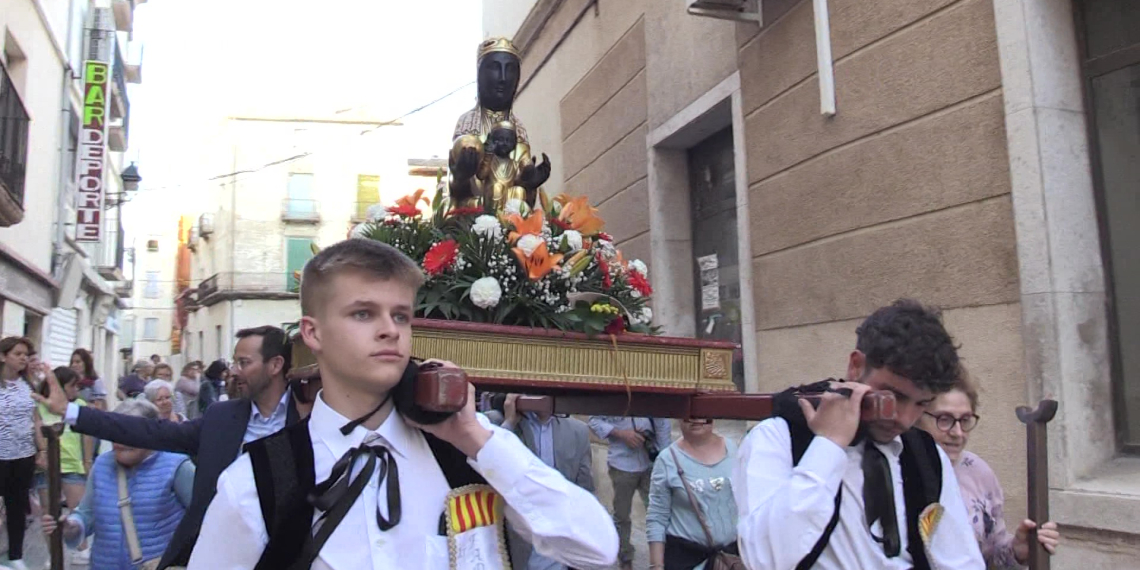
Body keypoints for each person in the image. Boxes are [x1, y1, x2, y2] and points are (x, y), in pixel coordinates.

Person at [189, 239, 617, 569]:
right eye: (363, 314)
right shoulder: (257, 481)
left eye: (400, 316)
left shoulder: (466, 454)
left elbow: (596, 548)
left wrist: (474, 437)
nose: (389, 330)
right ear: (313, 333)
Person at [733, 299, 984, 570]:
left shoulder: (925, 454)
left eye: (922, 404)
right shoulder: (778, 437)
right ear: (856, 366)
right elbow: (766, 560)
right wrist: (827, 447)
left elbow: (960, 561)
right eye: (893, 396)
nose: (904, 418)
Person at [39, 326, 302, 569]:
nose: (233, 371)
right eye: (234, 362)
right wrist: (71, 412)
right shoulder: (220, 418)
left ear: (275, 365)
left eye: (244, 363)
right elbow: (150, 431)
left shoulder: (308, 416)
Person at [918, 372, 1060, 568]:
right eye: (944, 419)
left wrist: (1018, 551)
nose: (957, 433)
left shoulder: (977, 472)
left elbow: (991, 557)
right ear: (918, 417)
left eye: (965, 420)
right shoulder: (901, 472)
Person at [41, 399, 196, 570]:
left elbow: (204, 521)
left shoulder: (177, 467)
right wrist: (71, 527)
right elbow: (86, 514)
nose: (120, 442)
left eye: (128, 435)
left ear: (150, 434)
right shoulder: (101, 465)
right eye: (116, 434)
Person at [499, 394, 595, 569]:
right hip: (516, 538)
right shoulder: (501, 423)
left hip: (558, 538)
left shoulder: (577, 431)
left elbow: (585, 488)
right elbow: (490, 464)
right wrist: (509, 423)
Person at [648, 418, 739, 570]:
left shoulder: (734, 449)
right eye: (689, 414)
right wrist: (656, 566)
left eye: (702, 412)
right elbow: (657, 517)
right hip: (686, 561)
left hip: (729, 560)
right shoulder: (667, 460)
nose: (696, 419)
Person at [589, 415, 673, 570]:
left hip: (650, 463)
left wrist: (665, 458)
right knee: (622, 516)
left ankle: (662, 559)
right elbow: (594, 421)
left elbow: (662, 423)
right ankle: (625, 558)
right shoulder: (612, 395)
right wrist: (621, 434)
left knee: (658, 514)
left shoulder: (650, 394)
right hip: (622, 464)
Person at [34, 367, 94, 565]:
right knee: (48, 513)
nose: (76, 390)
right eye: (72, 386)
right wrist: (43, 452)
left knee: (77, 509)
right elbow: (37, 431)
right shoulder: (40, 406)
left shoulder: (78, 405)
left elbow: (87, 437)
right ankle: (53, 554)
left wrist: (87, 462)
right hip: (48, 467)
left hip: (72, 465)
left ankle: (82, 548)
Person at [0, 337, 45, 570]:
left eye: (25, 354)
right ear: (3, 356)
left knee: (17, 506)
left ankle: (16, 555)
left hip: (22, 455)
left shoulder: (28, 385)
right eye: (17, 353)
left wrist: (42, 449)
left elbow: (36, 420)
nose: (23, 358)